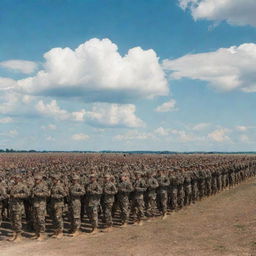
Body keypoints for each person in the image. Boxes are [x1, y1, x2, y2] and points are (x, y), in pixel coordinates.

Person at [9, 174, 30, 242]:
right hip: (12, 205)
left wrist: (18, 195)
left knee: (18, 221)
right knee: (12, 221)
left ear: (20, 179)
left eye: (17, 178)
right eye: (15, 178)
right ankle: (14, 234)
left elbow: (27, 194)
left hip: (18, 206)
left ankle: (19, 236)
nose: (15, 179)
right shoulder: (13, 185)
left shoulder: (23, 186)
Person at [31, 174, 50, 240]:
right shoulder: (34, 186)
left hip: (41, 205)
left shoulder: (43, 186)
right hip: (35, 204)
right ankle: (37, 233)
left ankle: (42, 234)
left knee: (41, 219)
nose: (35, 180)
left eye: (37, 179)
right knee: (35, 219)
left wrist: (38, 194)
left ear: (40, 180)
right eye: (35, 179)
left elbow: (47, 194)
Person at [49, 173, 67, 238]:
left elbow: (64, 194)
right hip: (53, 204)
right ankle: (56, 231)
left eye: (53, 179)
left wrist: (55, 196)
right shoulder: (52, 186)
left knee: (58, 218)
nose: (52, 180)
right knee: (54, 218)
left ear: (56, 179)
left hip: (59, 204)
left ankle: (61, 232)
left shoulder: (59, 186)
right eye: (52, 179)